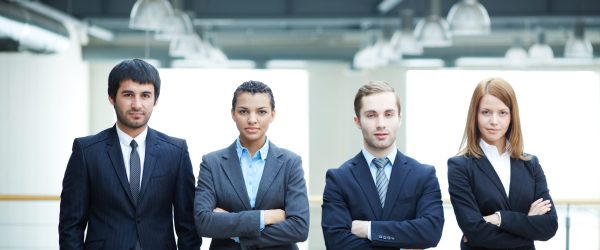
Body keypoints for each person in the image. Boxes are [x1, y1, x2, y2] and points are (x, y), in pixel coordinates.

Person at [58, 59, 201, 249]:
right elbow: (70, 225)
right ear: (112, 97)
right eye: (128, 94)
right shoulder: (86, 151)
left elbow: (188, 227)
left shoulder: (176, 152)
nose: (137, 104)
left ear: (155, 99)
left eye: (145, 95)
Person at [321, 81, 444, 249]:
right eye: (371, 115)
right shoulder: (339, 179)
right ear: (358, 121)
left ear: (399, 119)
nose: (380, 124)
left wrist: (369, 229)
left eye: (388, 114)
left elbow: (430, 232)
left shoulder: (423, 175)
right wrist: (403, 241)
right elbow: (336, 242)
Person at [194, 80, 309, 250]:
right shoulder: (212, 163)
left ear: (273, 115)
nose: (252, 120)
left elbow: (299, 228)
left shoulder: (290, 163)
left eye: (261, 112)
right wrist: (265, 217)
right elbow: (203, 222)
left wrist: (238, 234)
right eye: (243, 111)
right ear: (233, 114)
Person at [447, 77, 558, 250]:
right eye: (486, 112)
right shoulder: (460, 166)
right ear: (474, 115)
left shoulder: (530, 164)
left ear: (512, 116)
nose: (494, 121)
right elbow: (476, 234)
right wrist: (527, 226)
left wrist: (500, 218)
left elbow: (549, 226)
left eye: (502, 113)